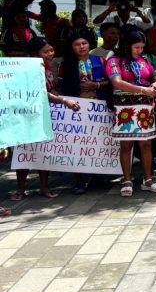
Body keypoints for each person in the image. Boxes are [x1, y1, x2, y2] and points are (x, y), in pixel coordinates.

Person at [11, 37, 81, 201]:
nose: (51, 54)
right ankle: (21, 189)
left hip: (44, 115)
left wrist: (57, 91)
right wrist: (64, 101)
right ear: (36, 53)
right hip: (26, 115)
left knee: (44, 150)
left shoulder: (48, 67)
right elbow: (40, 92)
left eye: (51, 50)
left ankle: (44, 186)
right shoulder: (28, 68)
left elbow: (50, 88)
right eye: (46, 51)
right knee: (24, 151)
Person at [105, 31, 156, 197]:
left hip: (145, 108)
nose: (139, 50)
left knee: (146, 145)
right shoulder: (114, 61)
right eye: (136, 47)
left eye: (142, 47)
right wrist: (143, 89)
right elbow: (117, 82)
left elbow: (154, 74)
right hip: (125, 110)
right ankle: (127, 179)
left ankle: (148, 179)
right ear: (126, 45)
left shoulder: (144, 60)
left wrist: (155, 83)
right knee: (126, 145)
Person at [59, 30, 111, 194]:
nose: (81, 47)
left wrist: (96, 86)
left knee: (97, 142)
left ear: (90, 44)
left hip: (98, 109)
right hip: (76, 109)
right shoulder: (66, 64)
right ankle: (78, 179)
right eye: (77, 44)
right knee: (78, 144)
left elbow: (111, 82)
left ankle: (97, 176)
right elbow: (61, 86)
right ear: (71, 47)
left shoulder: (100, 61)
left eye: (84, 43)